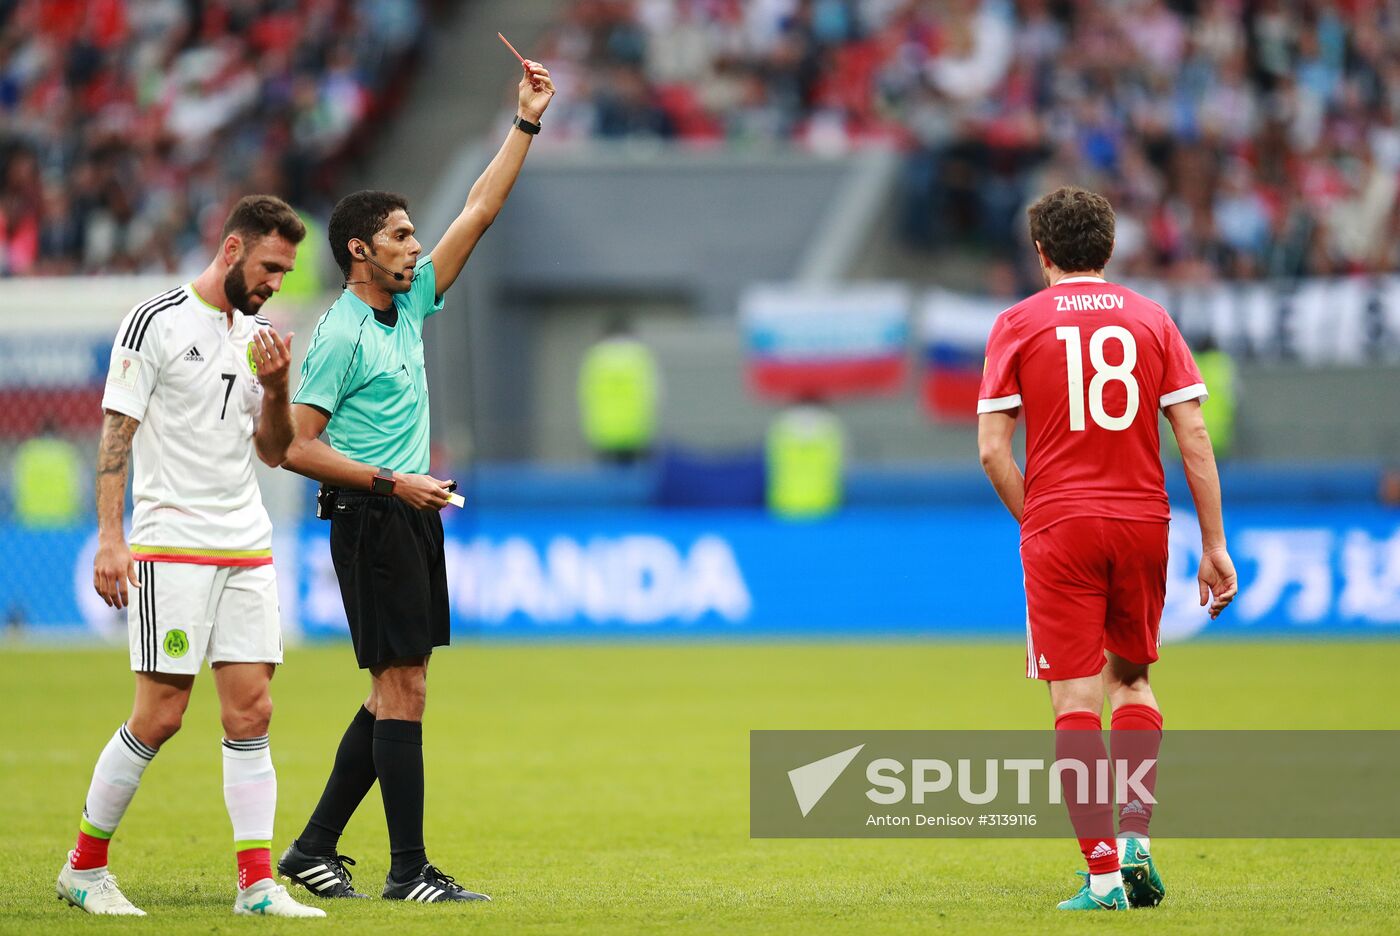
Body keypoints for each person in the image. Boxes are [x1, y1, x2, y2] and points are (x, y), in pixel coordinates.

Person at [275, 59, 555, 905]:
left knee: (400, 687)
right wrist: (395, 483)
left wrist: (526, 123)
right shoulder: (340, 334)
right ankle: (408, 872)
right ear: (361, 250)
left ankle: (315, 849)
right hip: (370, 513)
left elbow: (480, 208)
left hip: (407, 510)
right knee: (403, 690)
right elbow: (294, 445)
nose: (415, 245)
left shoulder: (412, 302)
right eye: (400, 235)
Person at [57, 195, 322, 918]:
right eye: (271, 267)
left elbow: (273, 451)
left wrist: (277, 388)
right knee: (162, 715)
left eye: (287, 271)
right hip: (172, 545)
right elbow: (117, 434)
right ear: (232, 250)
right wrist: (112, 538)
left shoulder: (261, 337)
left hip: (246, 546)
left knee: (253, 711)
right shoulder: (155, 321)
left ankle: (258, 886)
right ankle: (84, 868)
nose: (277, 282)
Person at [976, 186, 1238, 911]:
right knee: (1133, 682)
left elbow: (994, 452)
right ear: (1110, 248)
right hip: (1142, 522)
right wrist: (1213, 544)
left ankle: (1101, 879)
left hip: (1062, 523)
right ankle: (1137, 842)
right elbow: (1194, 437)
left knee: (1074, 699)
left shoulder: (1017, 324)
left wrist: (1040, 521)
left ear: (1041, 253)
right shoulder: (1153, 319)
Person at [578, 317, 660, 463]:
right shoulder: (639, 356)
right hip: (636, 431)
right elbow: (653, 393)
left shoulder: (596, 357)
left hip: (604, 431)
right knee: (636, 480)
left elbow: (585, 395)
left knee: (608, 481)